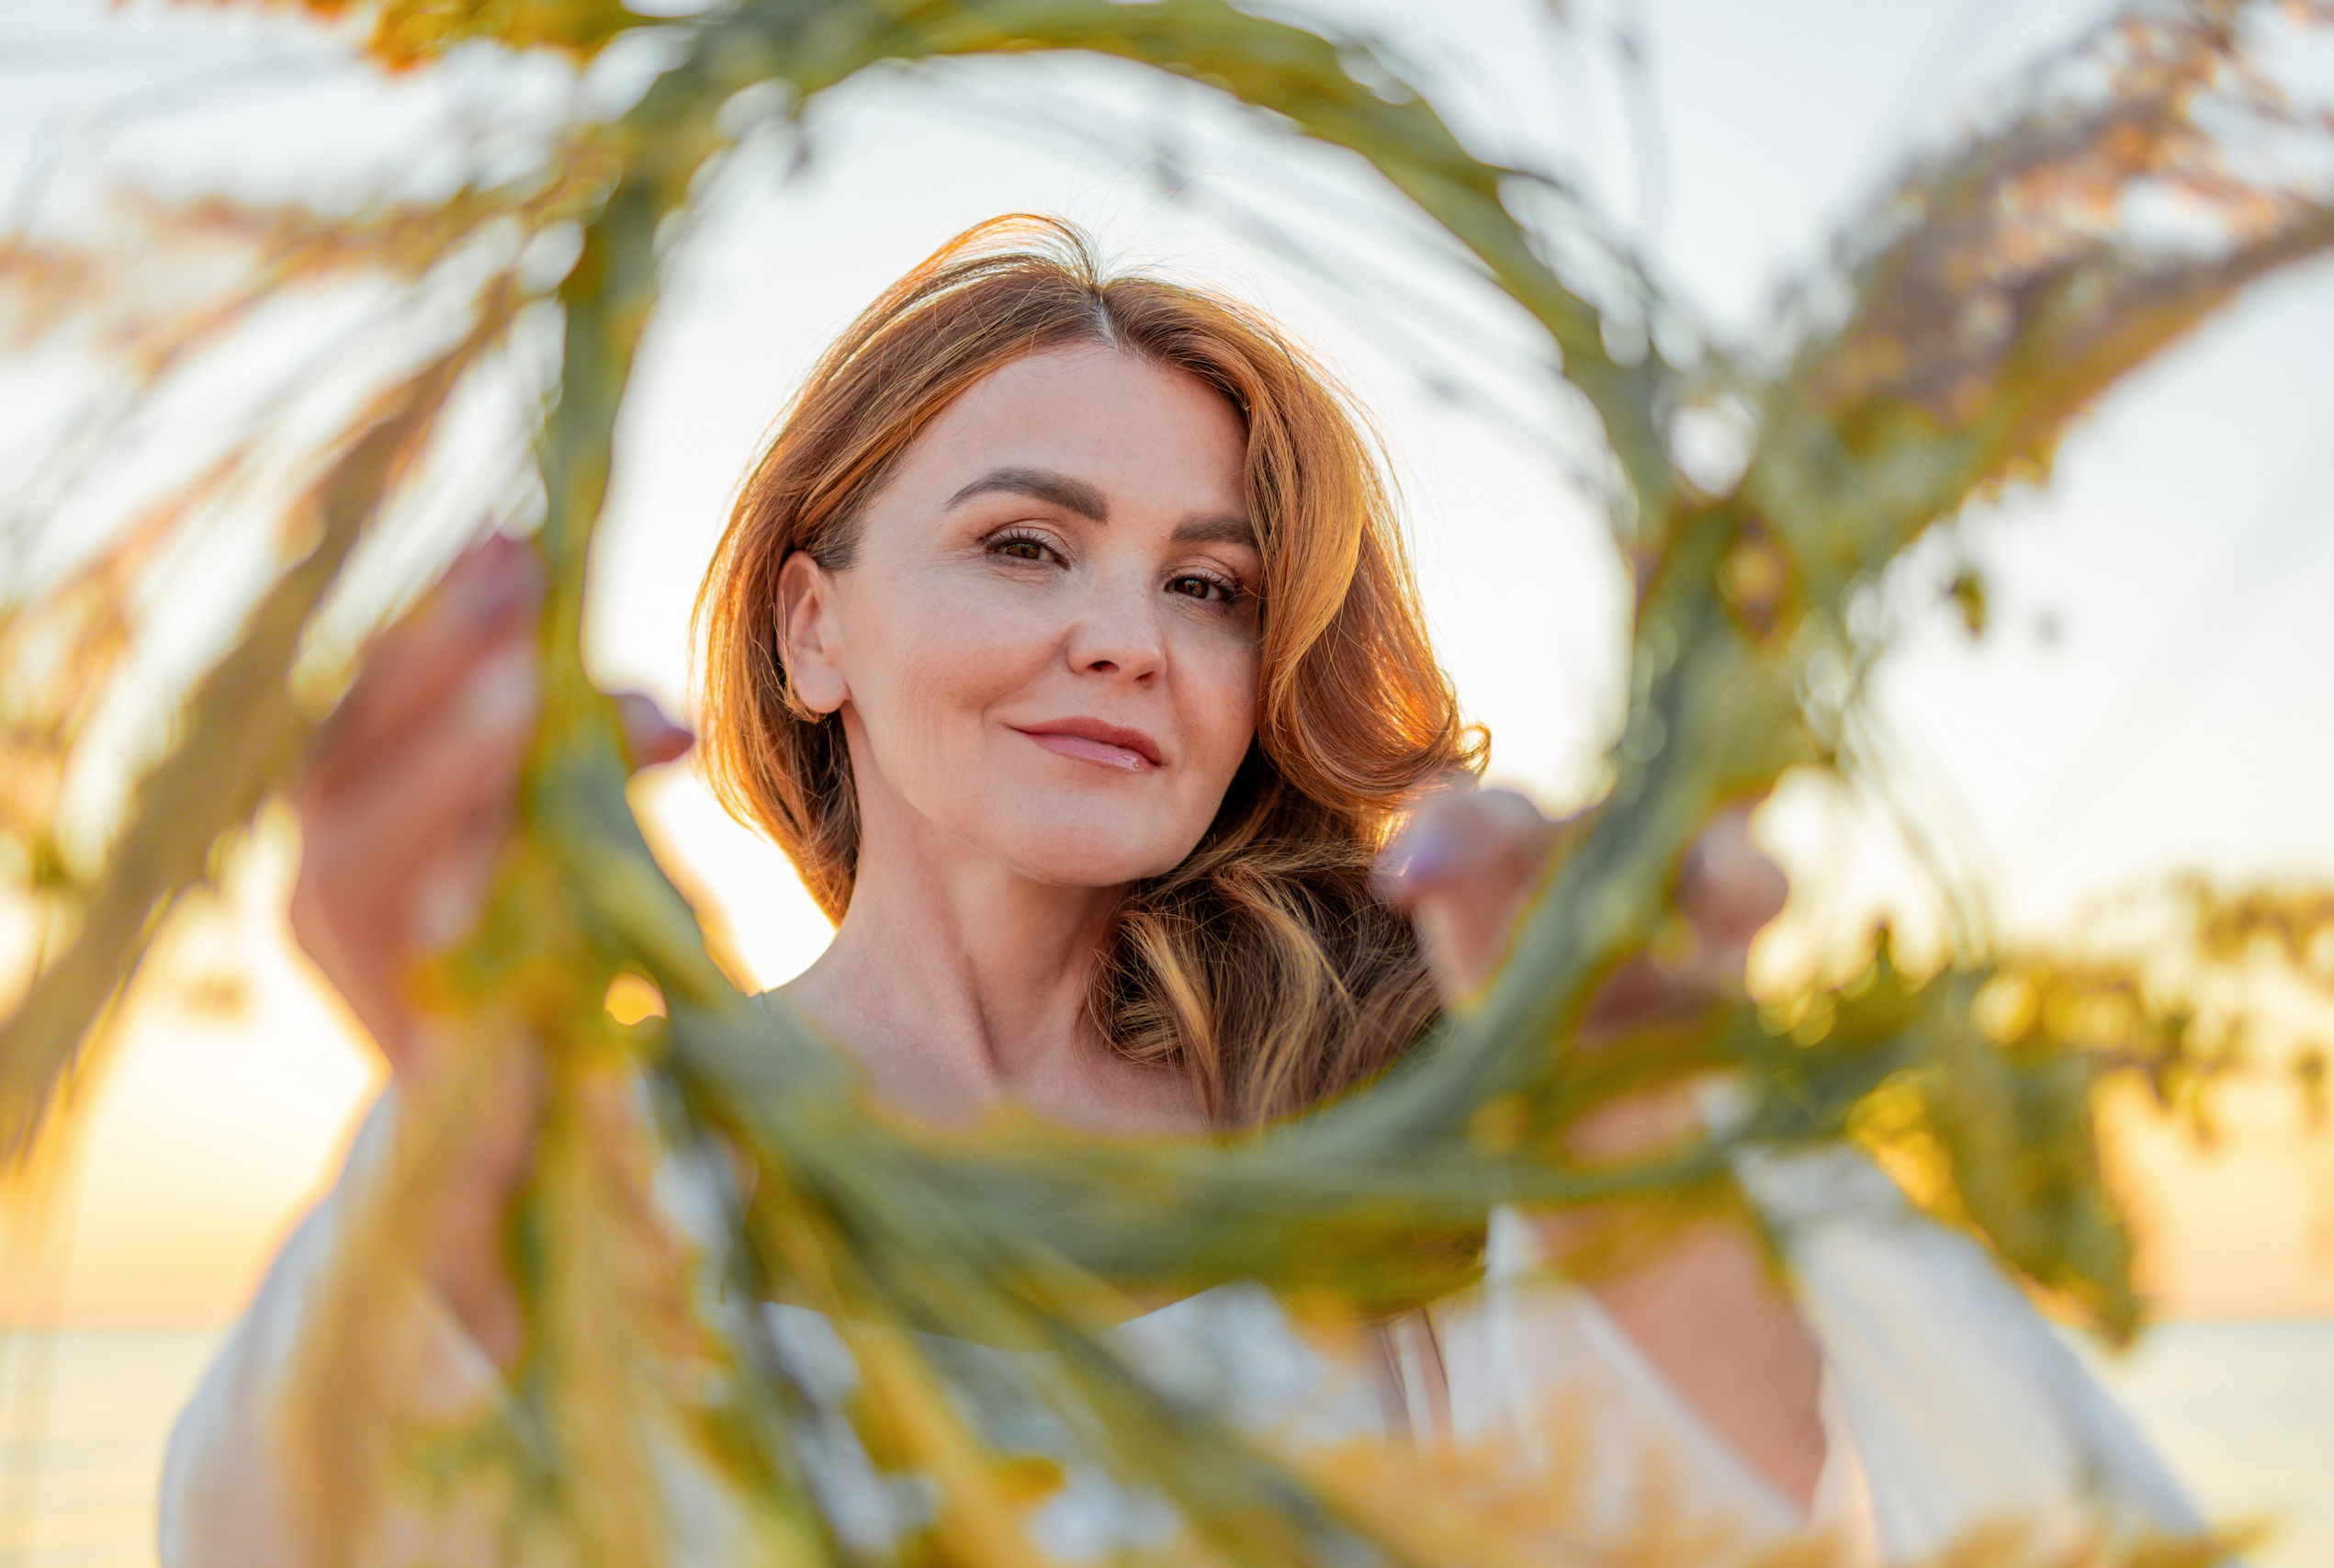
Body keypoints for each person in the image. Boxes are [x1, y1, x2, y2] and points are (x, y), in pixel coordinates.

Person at [162, 217, 2206, 1566]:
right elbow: (288, 1529)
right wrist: (455, 1100)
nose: (1127, 638)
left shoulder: (1381, 1125)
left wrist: (1634, 1122)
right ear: (809, 624)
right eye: (1026, 546)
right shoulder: (601, 1151)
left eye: (1208, 586)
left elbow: (1730, 1520)